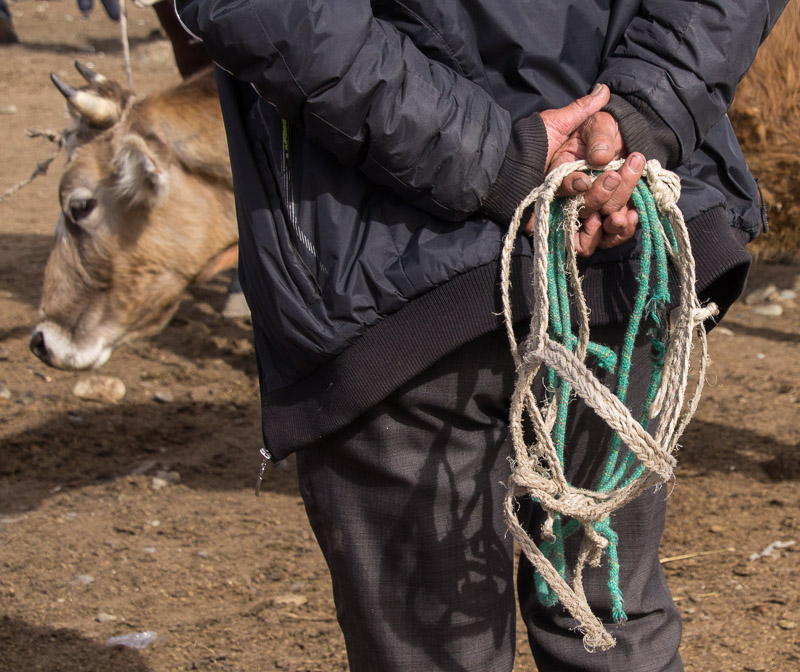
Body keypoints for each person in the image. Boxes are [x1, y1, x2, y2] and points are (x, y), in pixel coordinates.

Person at [174, 1, 786, 670]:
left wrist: (500, 155)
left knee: (438, 641)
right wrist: (636, 116)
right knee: (611, 626)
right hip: (613, 237)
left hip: (392, 274)